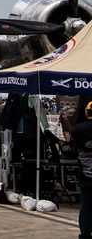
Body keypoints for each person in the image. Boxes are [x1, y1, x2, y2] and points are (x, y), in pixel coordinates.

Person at [69, 101, 92, 239]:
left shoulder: (77, 129)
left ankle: (85, 234)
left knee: (87, 205)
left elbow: (70, 148)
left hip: (85, 174)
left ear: (86, 113)